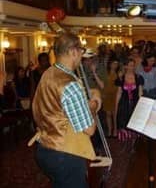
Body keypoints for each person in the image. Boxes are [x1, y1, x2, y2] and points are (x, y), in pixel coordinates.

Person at [31, 33, 101, 188]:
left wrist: (85, 105)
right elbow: (89, 129)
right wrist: (95, 103)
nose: (82, 55)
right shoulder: (70, 85)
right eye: (81, 50)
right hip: (65, 153)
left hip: (44, 147)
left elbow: (55, 109)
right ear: (73, 52)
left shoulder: (48, 73)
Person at [115, 58, 144, 141]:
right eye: (130, 65)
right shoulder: (121, 78)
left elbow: (140, 93)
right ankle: (126, 144)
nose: (132, 67)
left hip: (135, 104)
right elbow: (119, 93)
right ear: (126, 66)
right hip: (123, 105)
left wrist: (141, 105)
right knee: (123, 123)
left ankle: (134, 144)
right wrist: (116, 107)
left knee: (134, 123)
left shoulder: (138, 77)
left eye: (133, 65)